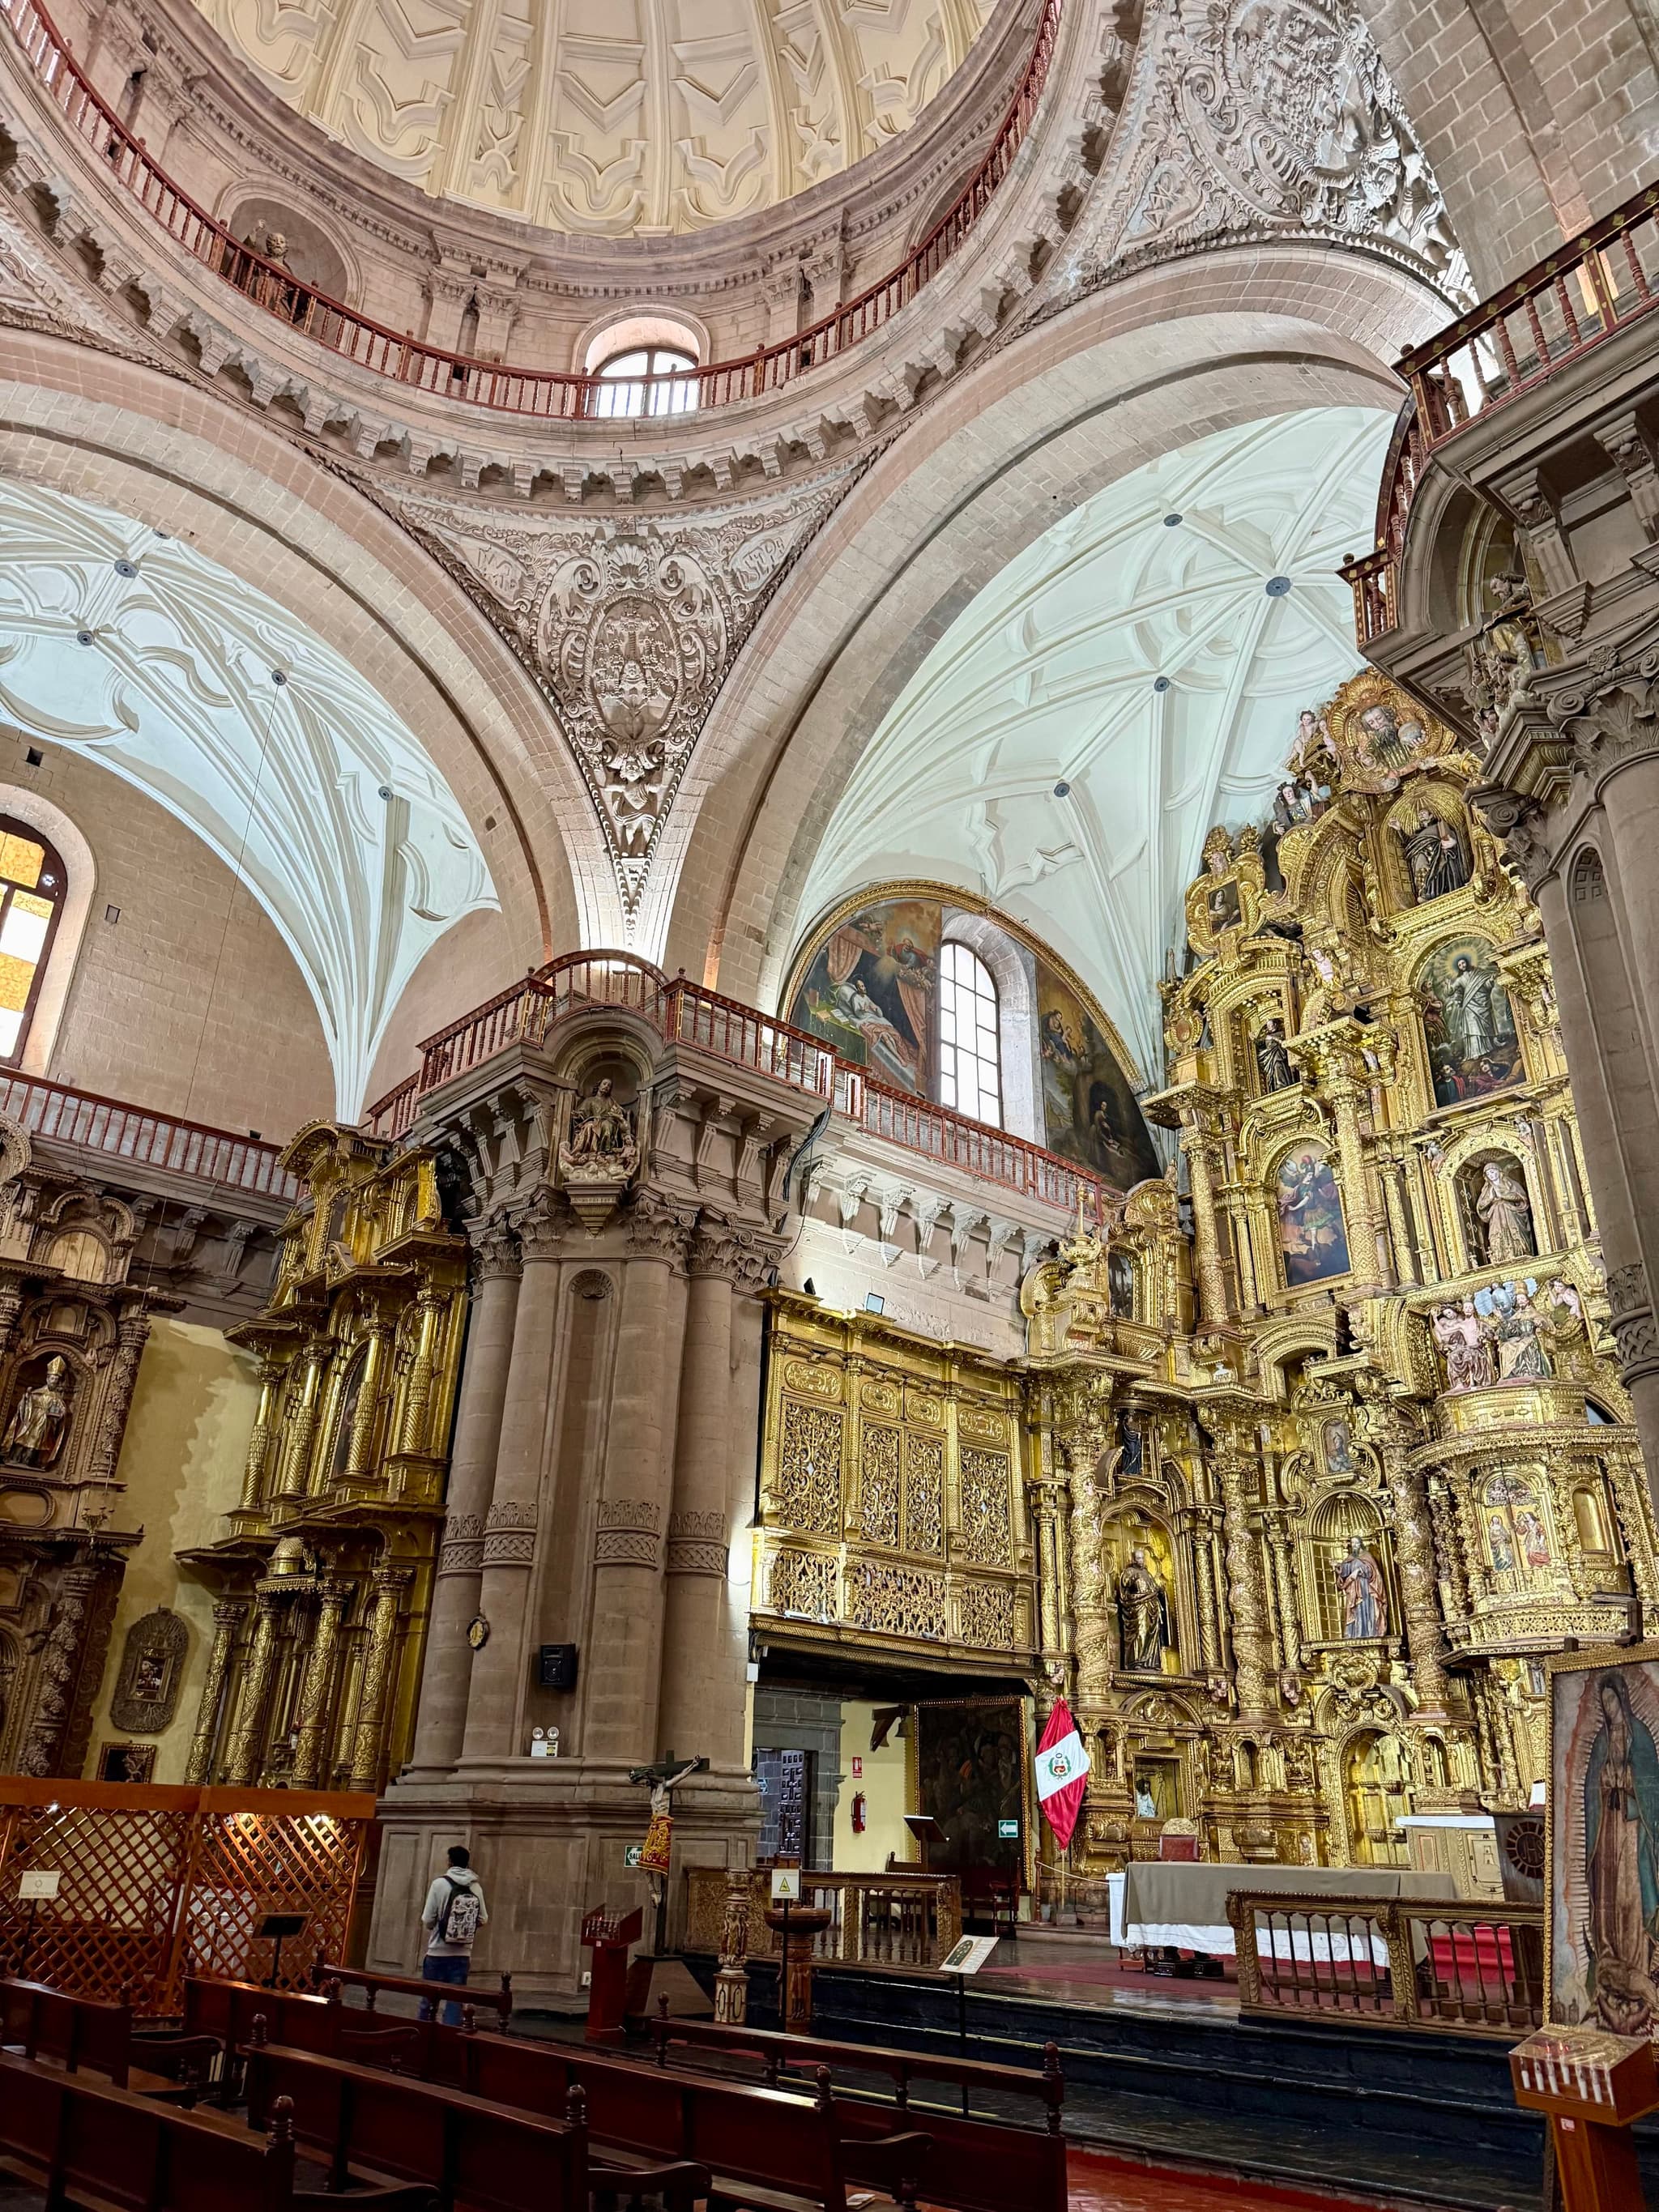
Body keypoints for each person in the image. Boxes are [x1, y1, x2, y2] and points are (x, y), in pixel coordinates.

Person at [420, 1845, 488, 2023]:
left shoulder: (439, 1884)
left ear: (450, 1862)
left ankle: (421, 2036)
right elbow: (483, 1919)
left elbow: (428, 1919)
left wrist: (439, 1926)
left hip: (437, 1952)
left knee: (428, 2000)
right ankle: (448, 2041)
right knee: (455, 2003)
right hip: (461, 1955)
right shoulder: (476, 1887)